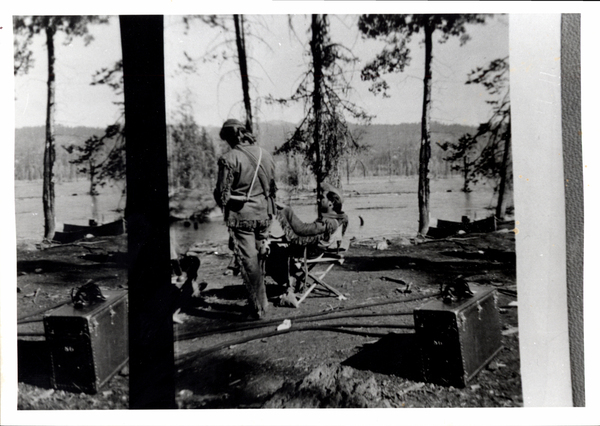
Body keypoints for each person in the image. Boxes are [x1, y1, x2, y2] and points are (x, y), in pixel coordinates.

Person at [213, 119, 277, 320]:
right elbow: (273, 188)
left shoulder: (229, 158)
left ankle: (258, 308)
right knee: (260, 257)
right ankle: (263, 301)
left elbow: (222, 195)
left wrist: (228, 198)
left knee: (249, 261)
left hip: (242, 217)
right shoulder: (265, 154)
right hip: (264, 214)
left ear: (230, 138)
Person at [268, 183, 349, 299]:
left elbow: (302, 230)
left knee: (271, 253)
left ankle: (290, 280)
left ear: (331, 203)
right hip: (314, 249)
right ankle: (290, 279)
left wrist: (286, 210)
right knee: (276, 248)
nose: (319, 200)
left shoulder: (328, 223)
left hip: (310, 253)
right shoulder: (335, 218)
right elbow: (308, 233)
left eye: (322, 198)